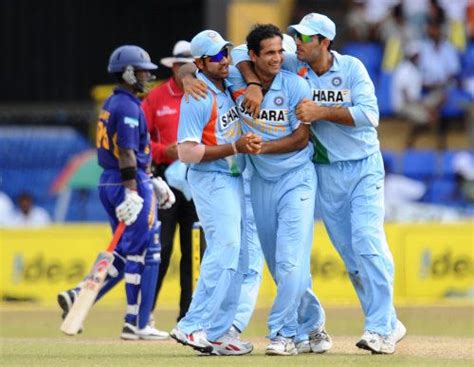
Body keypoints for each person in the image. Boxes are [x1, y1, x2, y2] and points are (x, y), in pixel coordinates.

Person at [233, 13, 406, 354]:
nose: (296, 42)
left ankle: (382, 328)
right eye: (295, 35)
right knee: (352, 257)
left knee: (367, 241)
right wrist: (253, 83)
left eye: (305, 37)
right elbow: (242, 51)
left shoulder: (352, 68)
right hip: (326, 171)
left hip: (363, 167)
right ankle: (387, 320)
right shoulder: (295, 61)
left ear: (325, 43)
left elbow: (370, 116)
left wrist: (322, 112)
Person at [57, 45, 175, 340]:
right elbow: (126, 152)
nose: (148, 76)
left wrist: (151, 179)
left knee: (138, 249)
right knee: (141, 252)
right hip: (127, 181)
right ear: (128, 72)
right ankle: (135, 322)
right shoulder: (128, 107)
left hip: (115, 180)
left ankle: (81, 295)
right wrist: (135, 189)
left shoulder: (113, 102)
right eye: (143, 70)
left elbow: (132, 152)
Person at [227, 24, 329, 356]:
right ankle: (312, 325)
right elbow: (195, 71)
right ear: (254, 55)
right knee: (279, 263)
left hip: (296, 178)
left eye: (280, 51)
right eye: (269, 52)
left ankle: (282, 334)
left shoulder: (296, 85)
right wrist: (252, 84)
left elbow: (302, 137)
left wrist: (262, 149)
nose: (277, 58)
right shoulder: (237, 80)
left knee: (289, 261)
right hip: (259, 182)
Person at [169, 29, 262, 356]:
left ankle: (220, 333)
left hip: (234, 177)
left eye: (225, 52)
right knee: (226, 247)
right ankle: (191, 325)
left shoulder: (228, 79)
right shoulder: (197, 96)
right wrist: (234, 147)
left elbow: (243, 62)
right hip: (211, 177)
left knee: (240, 257)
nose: (225, 60)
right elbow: (186, 152)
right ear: (201, 62)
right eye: (217, 56)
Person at [142, 40, 198, 324]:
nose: (188, 72)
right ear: (174, 67)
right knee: (161, 248)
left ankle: (189, 317)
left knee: (194, 252)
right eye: (183, 66)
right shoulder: (156, 98)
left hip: (199, 178)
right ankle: (144, 315)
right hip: (166, 179)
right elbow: (139, 142)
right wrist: (165, 151)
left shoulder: (203, 94)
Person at [392, 41, 444, 148]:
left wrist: (437, 85)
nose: (419, 57)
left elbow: (423, 85)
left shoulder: (415, 68)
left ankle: (424, 121)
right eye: (417, 55)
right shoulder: (403, 70)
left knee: (441, 95)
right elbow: (407, 97)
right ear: (411, 55)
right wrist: (426, 109)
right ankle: (413, 142)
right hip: (404, 105)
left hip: (417, 101)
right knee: (430, 118)